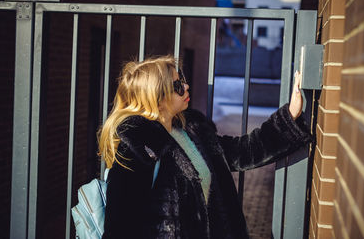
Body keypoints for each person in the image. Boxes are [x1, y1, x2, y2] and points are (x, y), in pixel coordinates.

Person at [98, 55, 312, 239]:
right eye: (177, 85)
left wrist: (290, 116)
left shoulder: (190, 131)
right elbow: (119, 227)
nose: (186, 86)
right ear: (157, 98)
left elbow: (243, 151)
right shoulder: (138, 149)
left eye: (182, 79)